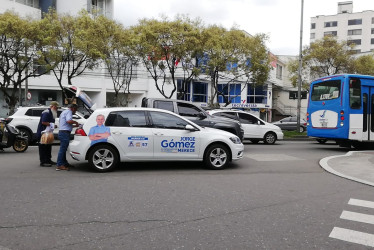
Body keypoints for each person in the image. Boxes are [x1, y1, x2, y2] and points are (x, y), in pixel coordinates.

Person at [56, 104, 79, 171]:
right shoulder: (69, 112)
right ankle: (59, 165)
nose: (75, 112)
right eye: (75, 110)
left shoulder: (64, 112)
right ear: (73, 108)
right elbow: (68, 121)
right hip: (64, 133)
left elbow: (65, 124)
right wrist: (76, 122)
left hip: (62, 132)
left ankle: (64, 163)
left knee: (64, 149)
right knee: (63, 149)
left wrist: (74, 126)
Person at [37, 101, 59, 167]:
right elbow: (44, 122)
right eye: (56, 108)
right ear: (53, 106)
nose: (57, 109)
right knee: (43, 147)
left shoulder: (52, 113)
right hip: (43, 133)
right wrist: (53, 125)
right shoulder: (46, 112)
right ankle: (43, 162)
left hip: (48, 133)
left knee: (48, 147)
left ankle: (48, 160)